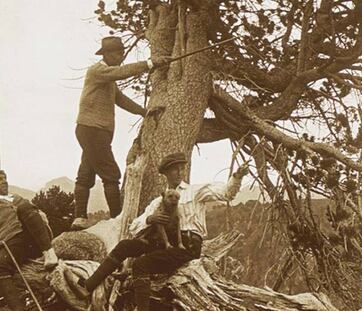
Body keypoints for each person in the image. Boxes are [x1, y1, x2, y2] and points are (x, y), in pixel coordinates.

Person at [65, 152, 249, 310]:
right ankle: (88, 286)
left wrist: (237, 177)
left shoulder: (195, 192)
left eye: (181, 168)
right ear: (166, 173)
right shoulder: (158, 201)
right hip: (161, 242)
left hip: (186, 245)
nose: (179, 172)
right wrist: (149, 219)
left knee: (140, 265)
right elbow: (134, 226)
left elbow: (226, 193)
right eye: (174, 169)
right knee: (124, 246)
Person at [72, 36, 170, 230]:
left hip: (92, 131)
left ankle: (79, 218)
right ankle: (117, 218)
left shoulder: (107, 79)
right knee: (111, 174)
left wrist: (144, 112)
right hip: (93, 130)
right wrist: (149, 63)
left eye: (122, 52)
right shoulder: (98, 71)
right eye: (118, 53)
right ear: (106, 54)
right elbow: (122, 72)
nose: (121, 56)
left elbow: (121, 99)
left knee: (86, 173)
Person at [0, 170, 58, 311]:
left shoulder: (16, 198)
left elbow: (38, 214)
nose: (4, 181)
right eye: (0, 179)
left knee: (25, 207)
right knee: (1, 266)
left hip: (34, 235)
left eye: (4, 178)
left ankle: (49, 253)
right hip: (11, 240)